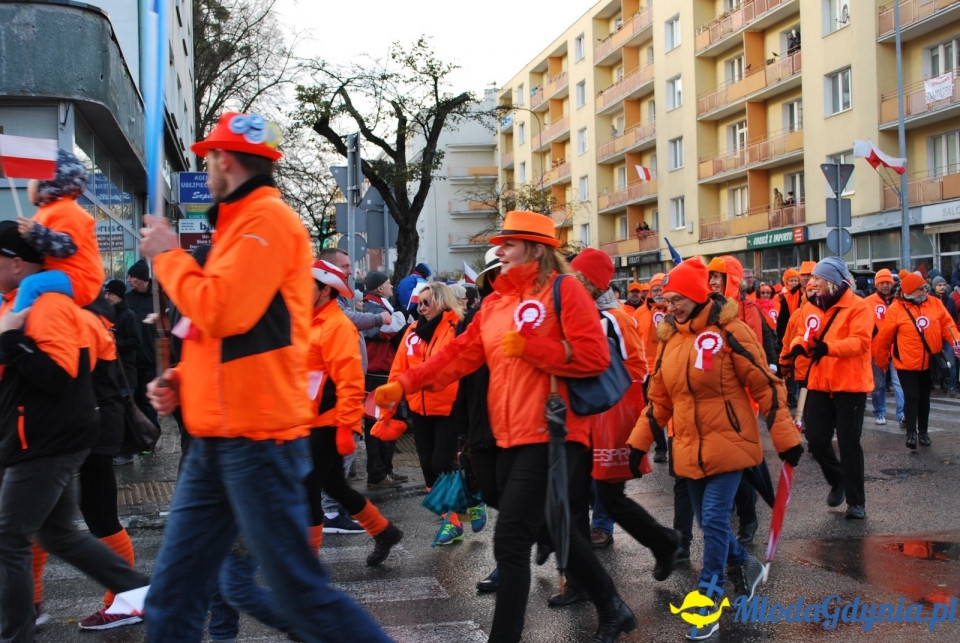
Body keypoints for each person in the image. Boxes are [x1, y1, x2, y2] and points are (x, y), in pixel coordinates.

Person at [139, 111, 389, 642]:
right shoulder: (237, 227)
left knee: (301, 596)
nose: (206, 170)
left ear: (226, 161)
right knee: (172, 599)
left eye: (209, 160)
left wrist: (166, 259)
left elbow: (222, 310)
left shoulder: (267, 222)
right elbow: (230, 336)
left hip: (258, 439)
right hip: (217, 437)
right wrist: (184, 377)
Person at [376, 211, 637, 643]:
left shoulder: (564, 290)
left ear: (534, 248)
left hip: (554, 433)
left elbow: (594, 357)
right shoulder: (496, 302)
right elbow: (458, 354)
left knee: (511, 541)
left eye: (508, 244)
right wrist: (405, 382)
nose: (499, 250)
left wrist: (534, 348)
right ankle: (610, 604)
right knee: (550, 527)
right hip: (506, 434)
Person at [627, 257, 802, 641]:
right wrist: (637, 444)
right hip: (687, 447)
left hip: (730, 442)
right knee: (710, 524)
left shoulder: (731, 330)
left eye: (675, 299)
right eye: (665, 300)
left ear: (695, 295)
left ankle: (708, 599)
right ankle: (744, 563)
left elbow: (765, 385)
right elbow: (658, 400)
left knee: (715, 519)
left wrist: (787, 438)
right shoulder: (670, 339)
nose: (667, 306)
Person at [0, 221, 150, 642]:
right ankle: (136, 590)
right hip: (51, 434)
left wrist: (12, 342)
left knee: (15, 536)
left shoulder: (50, 306)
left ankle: (23, 626)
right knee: (57, 533)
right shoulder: (26, 301)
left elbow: (63, 372)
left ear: (16, 262)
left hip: (59, 435)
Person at [570, 249, 680, 581]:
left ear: (590, 283)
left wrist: (595, 377)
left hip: (612, 411)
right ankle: (658, 542)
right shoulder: (587, 313)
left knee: (607, 493)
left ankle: (660, 541)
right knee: (584, 488)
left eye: (577, 279)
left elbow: (637, 368)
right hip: (589, 411)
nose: (570, 284)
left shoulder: (614, 318)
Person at [387, 281, 484, 545]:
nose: (422, 307)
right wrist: (388, 406)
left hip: (448, 406)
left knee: (442, 463)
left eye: (427, 302)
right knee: (429, 469)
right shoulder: (412, 331)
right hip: (419, 408)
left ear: (442, 301)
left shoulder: (456, 327)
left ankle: (461, 511)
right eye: (419, 303)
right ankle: (454, 518)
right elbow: (398, 368)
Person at [784, 257, 872, 519]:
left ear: (832, 282)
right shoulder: (811, 307)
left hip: (851, 384)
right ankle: (838, 480)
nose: (813, 284)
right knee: (817, 440)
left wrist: (828, 348)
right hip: (820, 383)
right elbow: (803, 333)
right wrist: (798, 346)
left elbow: (860, 342)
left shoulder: (859, 307)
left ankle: (857, 502)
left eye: (818, 279)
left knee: (848, 442)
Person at [873, 270, 960, 449]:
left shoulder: (935, 303)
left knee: (924, 398)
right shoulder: (896, 309)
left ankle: (924, 432)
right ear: (909, 291)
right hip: (906, 362)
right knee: (911, 397)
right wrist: (881, 360)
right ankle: (911, 433)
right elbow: (884, 338)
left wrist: (956, 341)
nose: (924, 291)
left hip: (930, 361)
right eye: (920, 289)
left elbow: (947, 325)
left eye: (924, 287)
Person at [13, 148, 105, 312]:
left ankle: (13, 330)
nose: (28, 184)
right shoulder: (46, 211)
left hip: (79, 278)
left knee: (30, 285)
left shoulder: (68, 210)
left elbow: (66, 246)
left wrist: (33, 233)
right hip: (63, 275)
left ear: (50, 181)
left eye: (33, 178)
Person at [360, 270, 408, 488]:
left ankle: (385, 470)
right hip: (377, 374)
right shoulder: (372, 308)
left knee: (387, 423)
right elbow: (386, 330)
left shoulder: (374, 305)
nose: (392, 287)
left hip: (382, 373)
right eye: (389, 284)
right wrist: (400, 316)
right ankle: (378, 474)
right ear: (379, 288)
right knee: (379, 424)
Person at [864, 269, 905, 425]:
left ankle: (902, 415)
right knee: (878, 385)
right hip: (876, 349)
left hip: (896, 349)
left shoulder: (899, 301)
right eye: (882, 283)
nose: (886, 286)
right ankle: (879, 412)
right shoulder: (867, 302)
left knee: (898, 383)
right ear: (877, 284)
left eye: (888, 282)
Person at [124, 259, 162, 430]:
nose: (129, 280)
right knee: (135, 401)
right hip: (132, 360)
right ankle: (140, 437)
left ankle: (151, 437)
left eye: (131, 277)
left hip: (152, 360)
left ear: (141, 278)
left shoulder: (158, 298)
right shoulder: (128, 299)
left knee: (148, 402)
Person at [932, 276, 958, 396]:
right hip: (934, 335)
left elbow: (953, 318)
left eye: (943, 285)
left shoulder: (950, 301)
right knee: (934, 361)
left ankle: (951, 386)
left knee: (950, 360)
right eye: (939, 285)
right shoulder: (930, 300)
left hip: (947, 335)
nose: (942, 287)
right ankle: (938, 382)